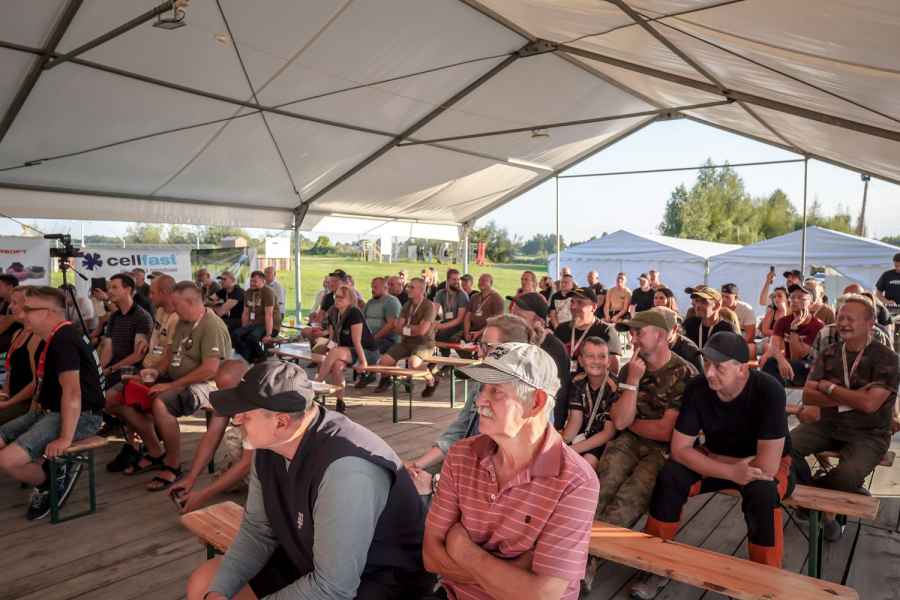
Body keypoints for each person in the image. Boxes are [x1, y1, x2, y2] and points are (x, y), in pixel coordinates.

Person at [187, 361, 434, 600]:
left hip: (379, 581)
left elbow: (334, 588)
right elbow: (258, 530)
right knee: (206, 582)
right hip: (308, 559)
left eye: (246, 415)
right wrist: (218, 592)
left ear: (281, 422)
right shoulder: (270, 444)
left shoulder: (346, 471)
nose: (236, 419)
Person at [423, 343, 599, 600]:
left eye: (495, 391)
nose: (479, 400)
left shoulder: (576, 480)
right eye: (481, 389)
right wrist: (512, 572)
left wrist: (463, 551)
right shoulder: (461, 454)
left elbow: (542, 594)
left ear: (536, 402)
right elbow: (431, 556)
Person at [634, 332, 793, 598]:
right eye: (707, 363)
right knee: (671, 475)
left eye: (718, 367)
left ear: (742, 369)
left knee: (762, 491)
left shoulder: (768, 390)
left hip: (763, 463)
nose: (709, 372)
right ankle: (655, 563)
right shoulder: (698, 387)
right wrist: (730, 470)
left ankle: (765, 580)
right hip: (716, 457)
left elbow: (766, 466)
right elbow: (679, 450)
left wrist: (715, 462)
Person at [583, 310, 697, 591]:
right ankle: (585, 559)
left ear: (660, 335)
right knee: (602, 487)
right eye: (632, 333)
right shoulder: (630, 368)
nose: (632, 338)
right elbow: (620, 421)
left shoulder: (685, 373)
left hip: (664, 451)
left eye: (639, 332)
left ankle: (588, 556)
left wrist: (631, 421)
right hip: (629, 442)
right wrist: (633, 381)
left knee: (630, 497)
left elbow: (665, 431)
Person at [791, 295, 898, 541]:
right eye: (840, 318)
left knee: (848, 474)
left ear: (870, 323)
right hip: (827, 426)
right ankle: (829, 499)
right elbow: (808, 395)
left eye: (851, 319)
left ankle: (811, 499)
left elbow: (870, 405)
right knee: (784, 448)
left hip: (870, 433)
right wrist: (854, 397)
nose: (843, 323)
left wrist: (829, 388)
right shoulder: (829, 352)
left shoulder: (887, 359)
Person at [0, 286, 104, 520]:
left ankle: (50, 481)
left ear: (48, 312)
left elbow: (73, 393)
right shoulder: (55, 336)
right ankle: (50, 471)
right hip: (50, 411)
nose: (21, 314)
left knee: (7, 461)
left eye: (28, 309)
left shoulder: (64, 340)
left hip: (82, 416)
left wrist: (65, 439)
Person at [117, 282, 232, 491]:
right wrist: (155, 372)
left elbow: (210, 370)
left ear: (190, 302)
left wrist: (171, 385)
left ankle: (173, 464)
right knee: (120, 396)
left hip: (205, 385)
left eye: (177, 304)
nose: (174, 309)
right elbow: (170, 356)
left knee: (161, 403)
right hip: (176, 379)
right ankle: (155, 451)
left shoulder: (212, 326)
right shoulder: (182, 321)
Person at [404, 314, 534, 497]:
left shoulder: (524, 398)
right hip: (466, 464)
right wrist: (417, 465)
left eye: (486, 347)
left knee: (415, 494)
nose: (479, 353)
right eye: (479, 345)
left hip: (488, 485)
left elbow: (503, 477)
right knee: (405, 481)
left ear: (511, 351)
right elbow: (458, 431)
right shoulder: (483, 382)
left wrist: (435, 483)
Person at [169, 359, 251, 514]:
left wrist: (203, 496)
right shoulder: (228, 396)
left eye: (229, 392)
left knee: (234, 439)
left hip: (276, 457)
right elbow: (212, 436)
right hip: (251, 452)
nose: (225, 397)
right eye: (221, 390)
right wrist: (191, 477)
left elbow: (247, 462)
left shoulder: (258, 404)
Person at [509, 292, 571, 427]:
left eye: (519, 317)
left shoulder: (554, 349)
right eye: (512, 315)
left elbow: (559, 394)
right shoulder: (512, 342)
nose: (512, 321)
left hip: (538, 420)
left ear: (539, 323)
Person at [317, 284, 379, 411]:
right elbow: (333, 339)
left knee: (335, 353)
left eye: (341, 297)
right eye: (336, 296)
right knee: (336, 365)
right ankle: (340, 402)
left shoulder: (354, 313)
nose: (337, 299)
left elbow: (357, 341)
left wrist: (363, 362)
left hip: (366, 351)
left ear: (350, 300)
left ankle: (316, 386)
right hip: (346, 351)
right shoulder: (333, 312)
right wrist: (325, 350)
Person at [373, 278, 439, 397]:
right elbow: (398, 328)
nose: (408, 289)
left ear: (421, 290)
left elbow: (422, 331)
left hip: (424, 344)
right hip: (406, 342)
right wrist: (412, 329)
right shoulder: (407, 305)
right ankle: (400, 378)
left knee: (413, 363)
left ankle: (431, 379)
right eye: (408, 287)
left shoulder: (429, 306)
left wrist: (407, 328)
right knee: (384, 362)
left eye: (412, 287)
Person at [561, 337, 618, 469]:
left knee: (586, 463)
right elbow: (575, 420)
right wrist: (562, 443)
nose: (596, 361)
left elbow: (608, 433)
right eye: (590, 356)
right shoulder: (577, 382)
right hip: (582, 435)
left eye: (602, 356)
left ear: (609, 361)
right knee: (558, 457)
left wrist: (571, 450)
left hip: (603, 440)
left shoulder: (614, 387)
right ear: (581, 361)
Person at [760, 284, 824, 386]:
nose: (795, 300)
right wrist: (781, 360)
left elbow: (798, 356)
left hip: (809, 367)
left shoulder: (817, 325)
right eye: (792, 297)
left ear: (811, 303)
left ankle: (780, 388)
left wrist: (794, 328)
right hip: (789, 364)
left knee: (789, 366)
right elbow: (774, 347)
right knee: (770, 362)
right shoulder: (783, 321)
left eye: (800, 298)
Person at [97, 273, 153, 389]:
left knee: (104, 393)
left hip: (131, 371)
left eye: (114, 287)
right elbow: (108, 349)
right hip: (113, 368)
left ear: (127, 290)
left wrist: (111, 369)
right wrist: (99, 370)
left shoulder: (142, 316)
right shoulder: (114, 316)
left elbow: (138, 356)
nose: (109, 291)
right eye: (109, 288)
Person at [553, 287, 622, 375]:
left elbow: (613, 369)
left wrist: (587, 380)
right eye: (572, 302)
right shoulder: (561, 329)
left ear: (593, 307)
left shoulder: (606, 331)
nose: (573, 307)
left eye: (580, 302)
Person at [0, 287, 41, 425]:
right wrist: (4, 395)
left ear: (28, 305)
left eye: (15, 303)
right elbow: (10, 371)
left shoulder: (37, 336)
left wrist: (9, 403)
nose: (10, 307)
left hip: (25, 402)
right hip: (12, 397)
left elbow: (36, 383)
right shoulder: (17, 333)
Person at [231, 271, 279, 363]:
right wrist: (244, 329)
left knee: (252, 337)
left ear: (263, 281)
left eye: (255, 281)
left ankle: (262, 358)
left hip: (269, 325)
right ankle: (251, 359)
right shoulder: (248, 292)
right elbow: (245, 313)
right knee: (236, 334)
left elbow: (269, 315)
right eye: (251, 281)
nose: (252, 283)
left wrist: (268, 335)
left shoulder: (268, 292)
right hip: (254, 324)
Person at [363, 276, 403, 360]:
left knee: (364, 349)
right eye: (372, 287)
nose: (372, 290)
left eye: (375, 287)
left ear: (385, 288)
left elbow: (391, 324)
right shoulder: (370, 302)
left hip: (387, 340)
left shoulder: (391, 301)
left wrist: (374, 338)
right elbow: (362, 319)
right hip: (371, 338)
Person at [433, 269, 469, 357]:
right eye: (454, 279)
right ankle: (444, 358)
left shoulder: (462, 295)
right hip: (447, 324)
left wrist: (441, 326)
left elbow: (460, 319)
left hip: (460, 326)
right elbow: (433, 311)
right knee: (432, 332)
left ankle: (467, 359)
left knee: (443, 334)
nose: (457, 282)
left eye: (458, 279)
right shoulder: (441, 293)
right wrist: (431, 323)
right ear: (448, 280)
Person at [463, 273, 504, 344]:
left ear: (491, 283)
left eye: (484, 280)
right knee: (454, 338)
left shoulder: (497, 298)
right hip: (473, 329)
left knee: (481, 343)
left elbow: (496, 321)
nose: (481, 282)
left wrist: (479, 333)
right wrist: (466, 333)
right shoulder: (474, 297)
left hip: (487, 332)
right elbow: (467, 316)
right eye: (480, 280)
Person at [720, 283, 757, 350]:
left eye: (727, 297)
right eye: (722, 296)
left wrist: (736, 347)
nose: (724, 299)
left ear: (736, 297)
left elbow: (750, 335)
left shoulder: (746, 309)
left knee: (751, 347)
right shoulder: (718, 307)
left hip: (741, 337)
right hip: (724, 336)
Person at [0, 274, 22, 356]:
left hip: (16, 341)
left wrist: (13, 318)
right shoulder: (3, 302)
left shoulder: (23, 302)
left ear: (9, 287)